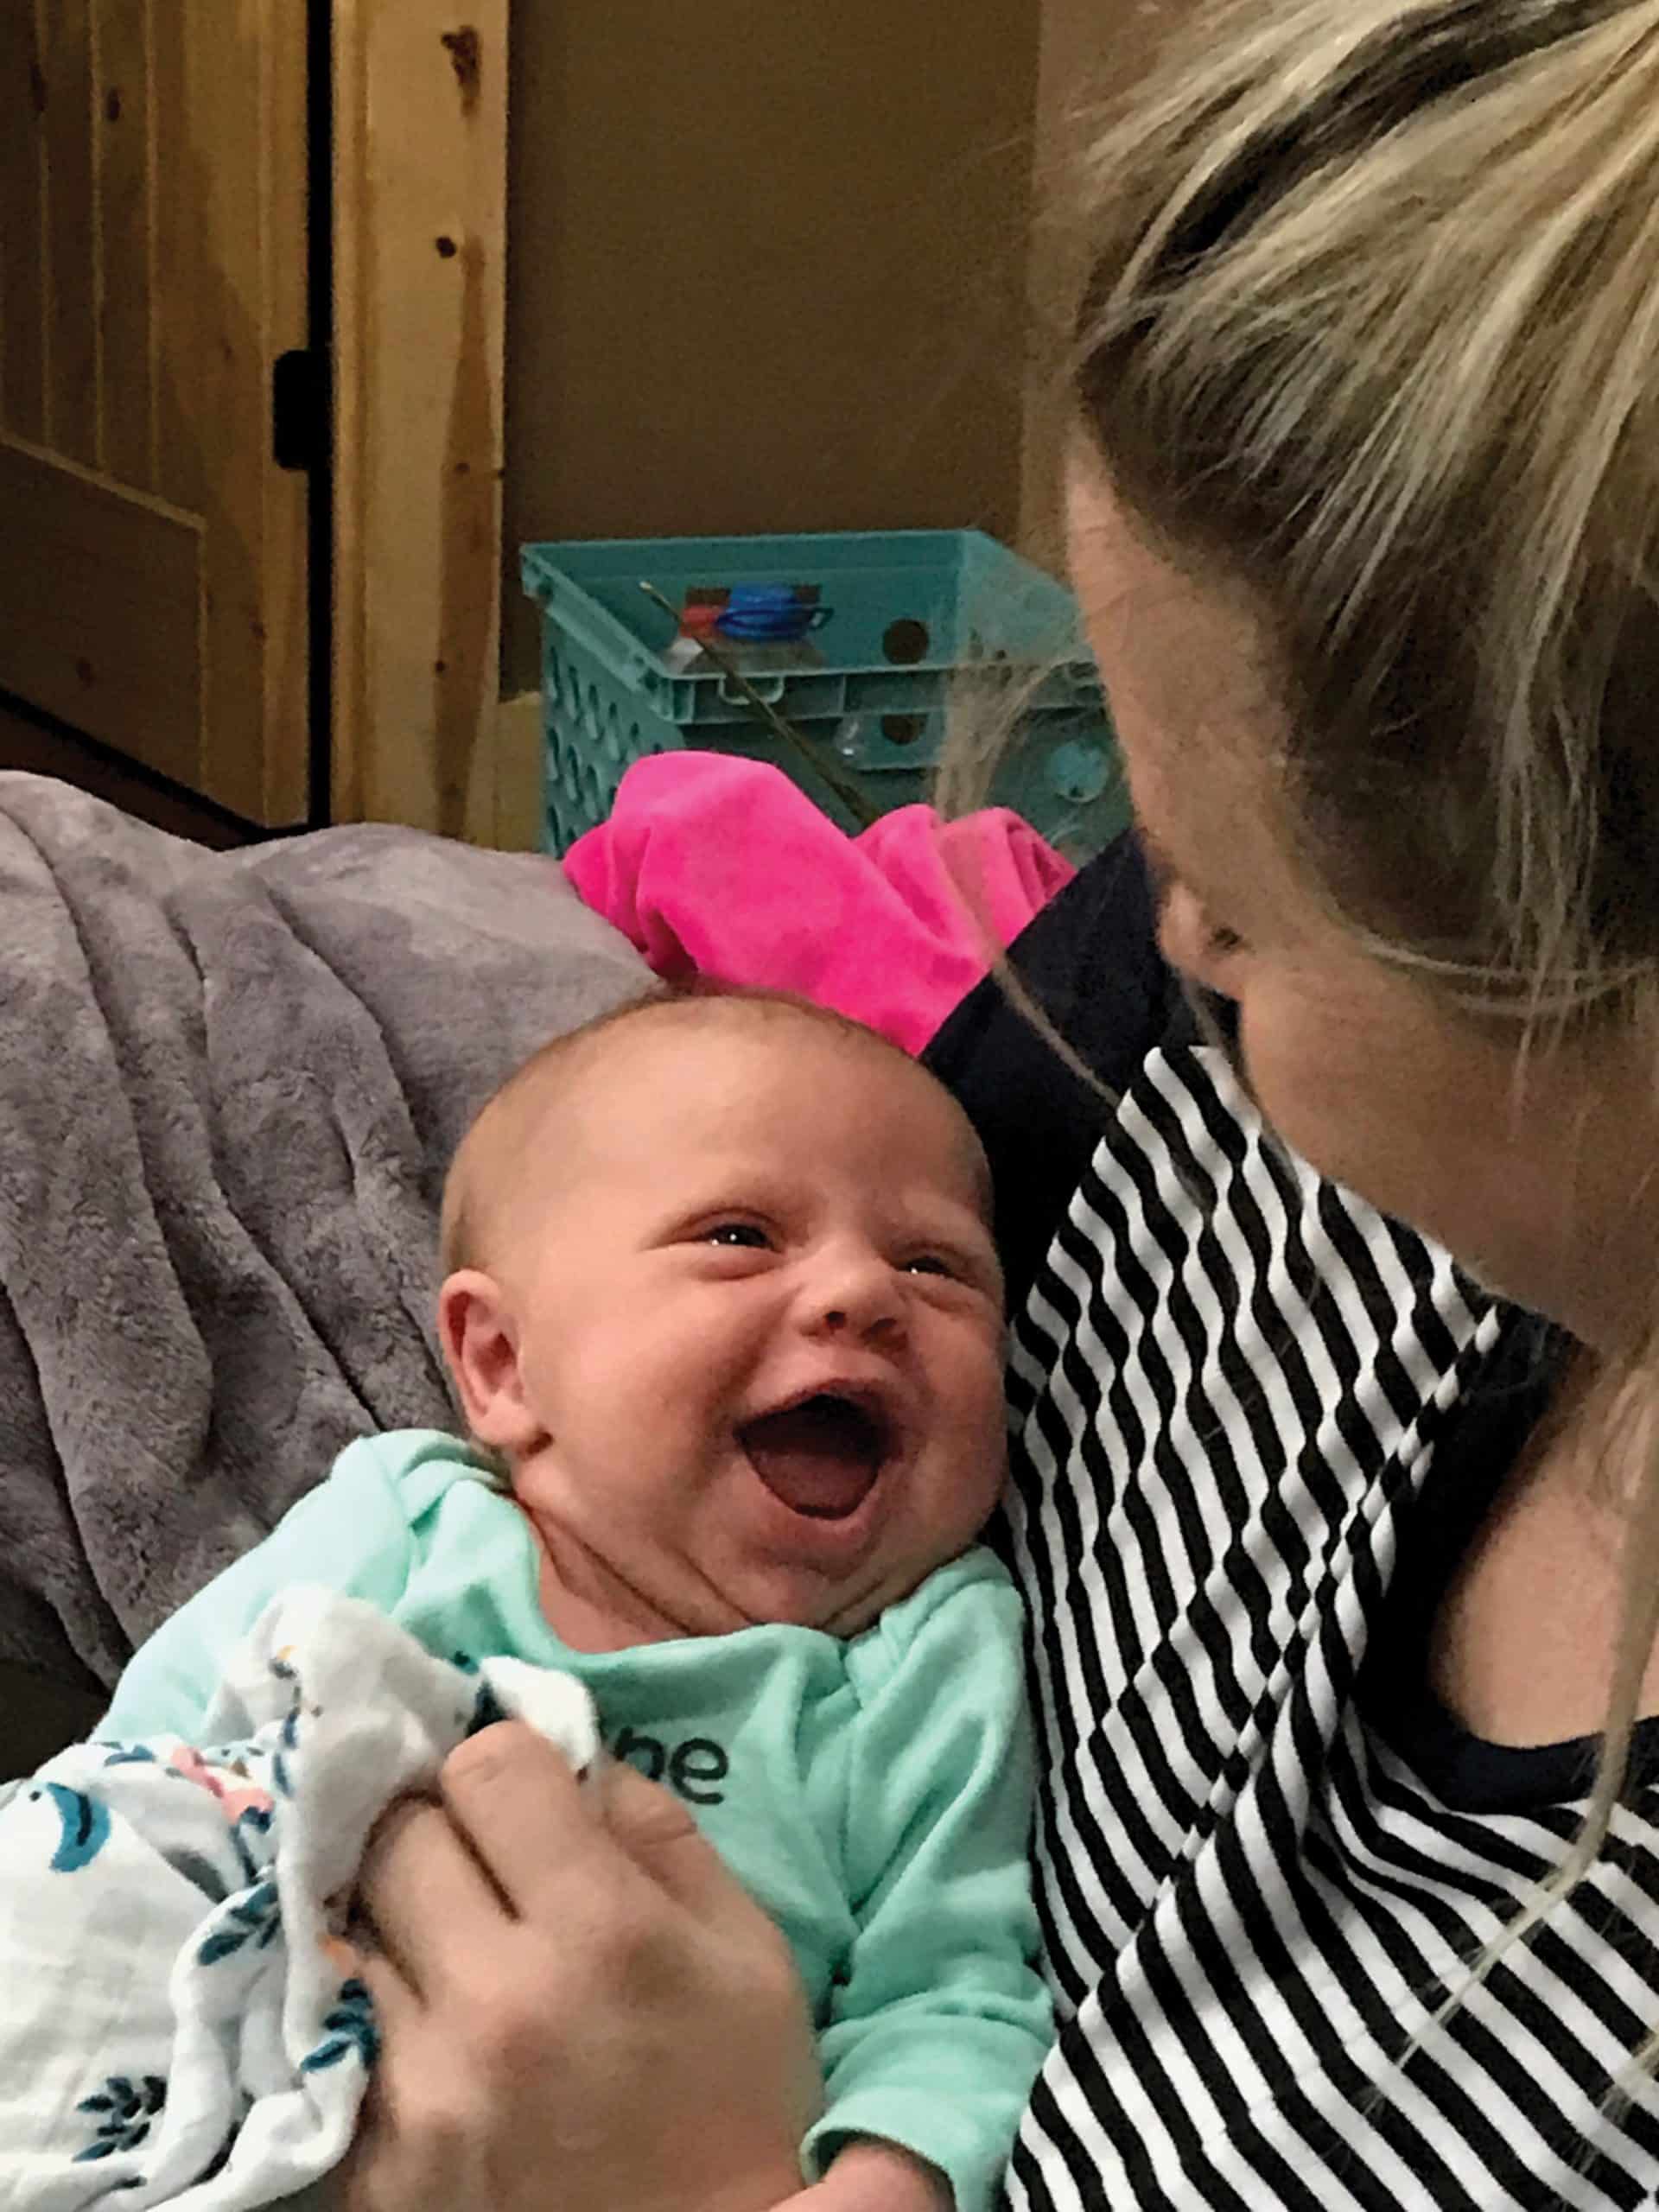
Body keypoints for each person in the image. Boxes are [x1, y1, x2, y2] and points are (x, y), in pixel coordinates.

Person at [315, 3, 1659, 2209]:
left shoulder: (940, 1674)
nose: (1161, 940)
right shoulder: (428, 1508)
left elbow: (952, 1993)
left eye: (1236, 890)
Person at [94, 989, 1052, 2212]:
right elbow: (137, 1778)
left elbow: (954, 1998)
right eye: (740, 1237)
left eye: (939, 1266)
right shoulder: (407, 1528)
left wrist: (887, 2177)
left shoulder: (926, 1660)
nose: (866, 1292)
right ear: (502, 1365)